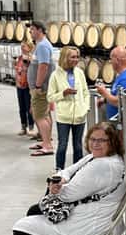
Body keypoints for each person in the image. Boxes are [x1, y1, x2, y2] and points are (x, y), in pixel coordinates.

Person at [2, 123, 126, 235]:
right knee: (34, 211)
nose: (96, 144)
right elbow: (69, 170)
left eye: (102, 140)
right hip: (95, 218)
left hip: (87, 229)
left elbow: (68, 195)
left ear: (112, 142)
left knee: (22, 229)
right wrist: (62, 179)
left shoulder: (102, 166)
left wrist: (55, 187)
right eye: (93, 139)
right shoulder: (99, 158)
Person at [47, 45, 89, 167]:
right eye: (73, 57)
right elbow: (50, 97)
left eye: (77, 57)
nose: (76, 60)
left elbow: (85, 92)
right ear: (65, 58)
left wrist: (85, 108)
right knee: (62, 145)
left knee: (78, 146)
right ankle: (59, 170)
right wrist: (63, 93)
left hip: (80, 116)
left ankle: (77, 171)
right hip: (63, 116)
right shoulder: (55, 75)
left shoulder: (80, 73)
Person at [28, 21, 56, 154]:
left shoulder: (43, 46)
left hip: (41, 88)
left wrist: (38, 85)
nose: (30, 32)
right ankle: (46, 140)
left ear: (40, 30)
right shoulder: (41, 45)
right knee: (45, 115)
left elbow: (43, 66)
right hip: (42, 87)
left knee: (39, 116)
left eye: (32, 29)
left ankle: (47, 146)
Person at [95, 46, 126, 121]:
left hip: (120, 124)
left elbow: (119, 102)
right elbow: (117, 95)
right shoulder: (122, 75)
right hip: (115, 122)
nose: (110, 62)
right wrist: (104, 100)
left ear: (117, 60)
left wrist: (104, 92)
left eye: (111, 59)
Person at [14, 41, 35, 136]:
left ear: (30, 48)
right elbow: (17, 70)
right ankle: (23, 127)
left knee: (29, 107)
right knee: (21, 107)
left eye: (24, 46)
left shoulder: (32, 58)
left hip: (28, 86)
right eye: (21, 46)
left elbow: (34, 70)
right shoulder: (19, 58)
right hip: (20, 86)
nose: (22, 48)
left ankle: (31, 127)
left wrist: (29, 61)